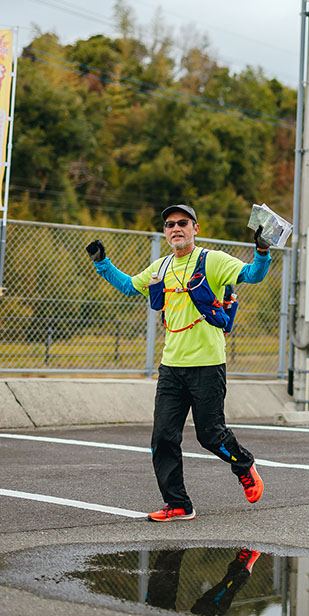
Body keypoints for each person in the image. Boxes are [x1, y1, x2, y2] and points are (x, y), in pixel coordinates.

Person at [85, 203, 272, 521]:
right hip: (171, 367)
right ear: (165, 232)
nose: (176, 228)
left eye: (182, 223)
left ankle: (244, 464)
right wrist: (102, 262)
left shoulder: (212, 260)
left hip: (207, 364)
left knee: (210, 435)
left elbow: (253, 275)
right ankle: (178, 504)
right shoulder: (160, 267)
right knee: (162, 438)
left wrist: (262, 250)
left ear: (195, 228)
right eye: (170, 224)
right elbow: (129, 286)